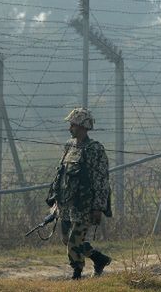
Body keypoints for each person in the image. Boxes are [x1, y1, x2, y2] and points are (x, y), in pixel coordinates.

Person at [47, 107, 112, 280]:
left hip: (85, 205)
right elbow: (61, 173)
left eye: (73, 125)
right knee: (67, 240)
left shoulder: (95, 149)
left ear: (83, 127)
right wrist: (54, 199)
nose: (70, 128)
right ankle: (99, 259)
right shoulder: (69, 146)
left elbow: (101, 180)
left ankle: (77, 275)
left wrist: (98, 206)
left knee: (74, 242)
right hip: (66, 204)